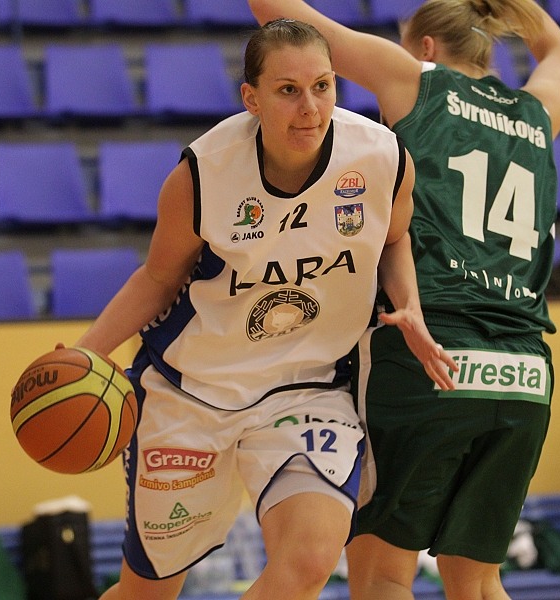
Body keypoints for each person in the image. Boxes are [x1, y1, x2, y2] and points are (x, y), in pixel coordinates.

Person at [67, 18, 455, 600]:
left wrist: (411, 308)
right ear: (251, 98)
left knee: (310, 561)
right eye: (288, 90)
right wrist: (84, 355)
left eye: (322, 86)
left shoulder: (380, 157)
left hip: (308, 388)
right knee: (146, 594)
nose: (310, 108)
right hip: (193, 390)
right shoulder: (204, 173)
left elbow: (394, 238)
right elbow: (157, 279)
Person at [248, 1, 560, 599]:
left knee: (382, 576)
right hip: (524, 371)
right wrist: (517, 7)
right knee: (480, 584)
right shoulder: (538, 112)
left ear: (425, 46)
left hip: (428, 352)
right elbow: (559, 53)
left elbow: (279, 15)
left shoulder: (416, 81)